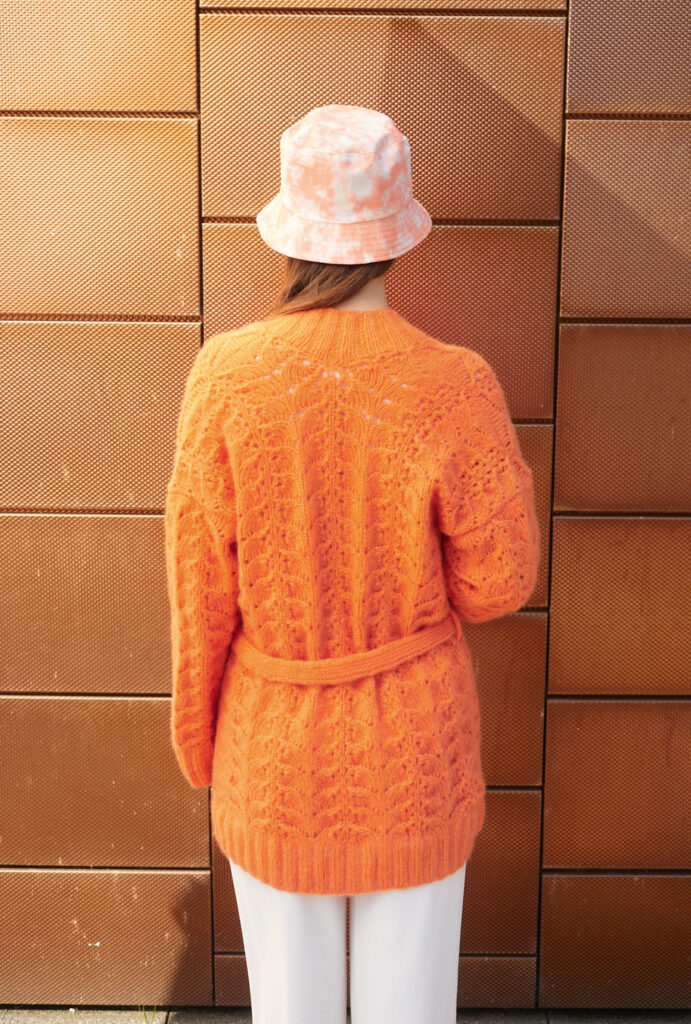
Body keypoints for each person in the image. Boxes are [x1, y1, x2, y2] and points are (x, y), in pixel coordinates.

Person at [164, 104, 541, 1024]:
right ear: (396, 235)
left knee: (290, 1010)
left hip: (272, 749)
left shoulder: (225, 377)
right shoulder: (454, 382)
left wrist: (199, 742)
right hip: (415, 750)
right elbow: (501, 582)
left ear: (289, 230)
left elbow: (198, 588)